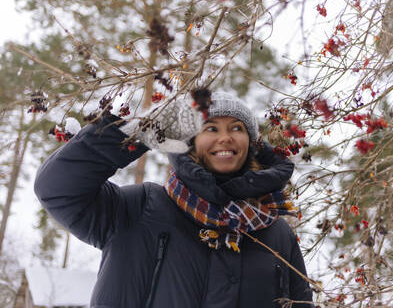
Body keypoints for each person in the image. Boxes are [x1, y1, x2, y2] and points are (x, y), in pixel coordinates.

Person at [34, 91, 313, 308]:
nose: (225, 138)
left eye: (237, 128)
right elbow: (58, 189)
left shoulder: (277, 234)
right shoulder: (138, 207)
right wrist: (134, 132)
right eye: (211, 128)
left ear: (252, 144)